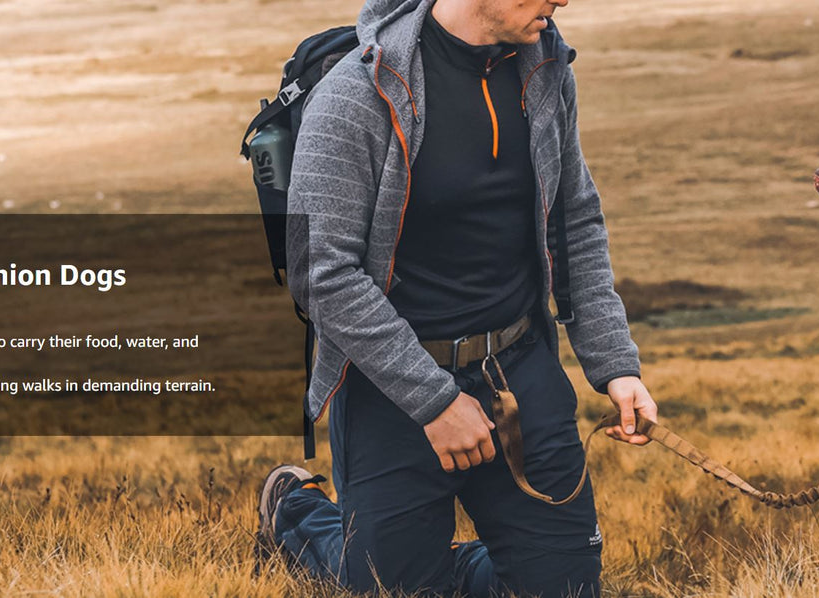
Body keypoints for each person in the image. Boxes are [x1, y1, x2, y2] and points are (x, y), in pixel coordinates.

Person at [259, 0, 659, 595]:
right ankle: (296, 515)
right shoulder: (354, 94)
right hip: (393, 391)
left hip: (519, 370)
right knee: (391, 588)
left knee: (565, 590)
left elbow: (572, 217)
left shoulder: (544, 67)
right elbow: (322, 273)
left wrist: (615, 366)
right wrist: (435, 403)